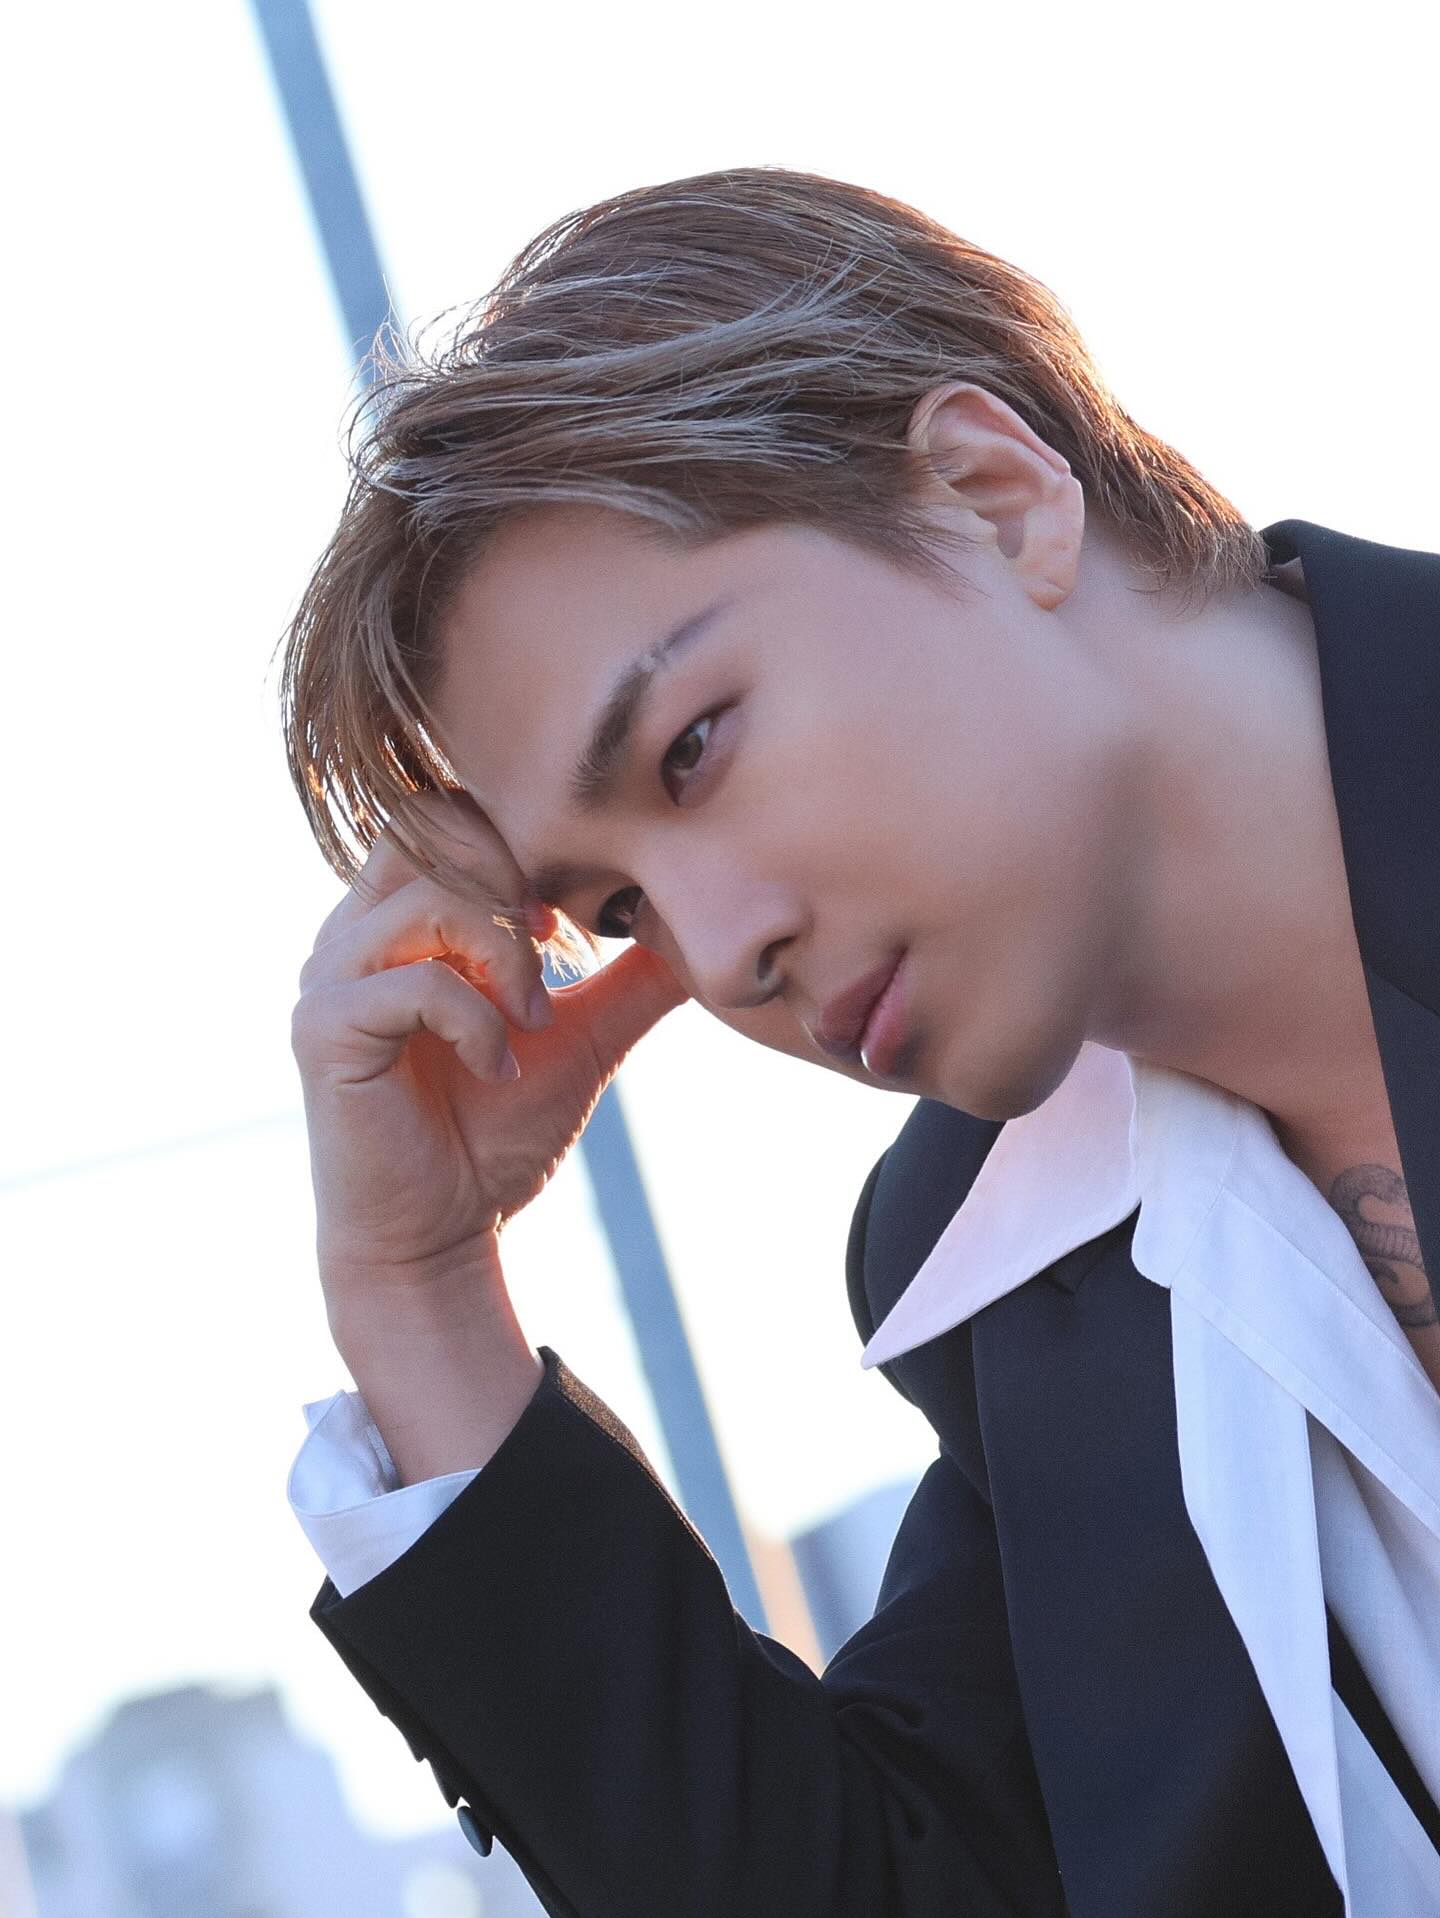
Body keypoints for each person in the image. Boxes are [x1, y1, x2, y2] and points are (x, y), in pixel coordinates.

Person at [280, 167, 1440, 1916]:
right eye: (620, 906)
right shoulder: (995, 1273)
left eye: (693, 748)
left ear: (993, 495)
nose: (719, 948)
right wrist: (419, 1287)